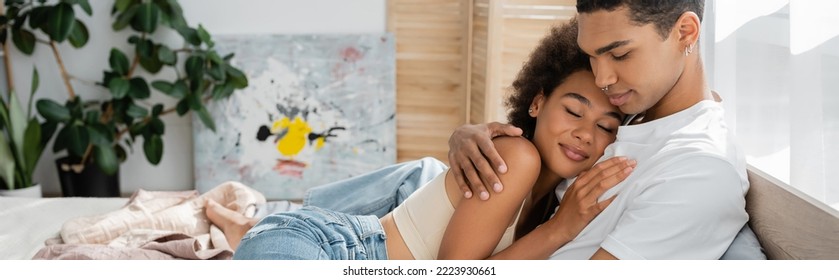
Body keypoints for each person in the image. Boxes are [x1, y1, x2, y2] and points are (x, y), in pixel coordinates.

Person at [215, 19, 637, 260]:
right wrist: (558, 232)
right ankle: (251, 229)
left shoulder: (558, 199)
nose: (585, 132)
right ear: (537, 103)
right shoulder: (519, 156)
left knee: (423, 173)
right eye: (574, 110)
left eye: (606, 127)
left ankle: (247, 231)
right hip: (331, 248)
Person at [447, 0, 750, 259]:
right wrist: (465, 135)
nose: (602, 78)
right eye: (592, 56)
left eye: (620, 55)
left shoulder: (699, 170)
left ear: (685, 32)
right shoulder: (637, 111)